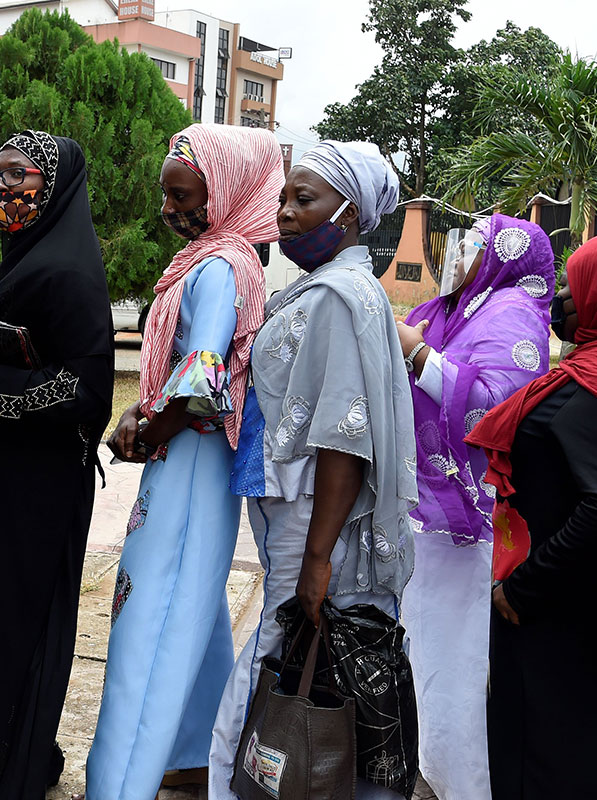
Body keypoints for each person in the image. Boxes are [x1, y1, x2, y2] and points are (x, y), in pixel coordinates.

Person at [209, 140, 417, 800]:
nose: (286, 213)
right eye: (283, 199)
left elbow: (344, 439)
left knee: (280, 647)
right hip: (294, 512)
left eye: (305, 199)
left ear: (351, 212)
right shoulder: (329, 288)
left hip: (309, 515)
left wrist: (319, 556)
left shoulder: (338, 298)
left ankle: (245, 783)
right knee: (302, 648)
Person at [87, 123, 279, 798]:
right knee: (184, 606)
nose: (169, 211)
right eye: (165, 196)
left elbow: (203, 376)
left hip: (192, 459)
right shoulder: (214, 258)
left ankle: (117, 784)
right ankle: (198, 749)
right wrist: (150, 414)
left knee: (150, 621)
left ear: (223, 192)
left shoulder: (223, 266)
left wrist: (142, 428)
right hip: (190, 457)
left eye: (183, 196)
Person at [466, 230, 597, 800]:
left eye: (577, 284)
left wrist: (526, 588)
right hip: (594, 605)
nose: (562, 296)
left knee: (547, 753)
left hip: (562, 614)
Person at [0, 130, 114, 799]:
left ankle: (11, 775)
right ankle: (5, 765)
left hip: (32, 496)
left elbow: (85, 391)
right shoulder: (18, 261)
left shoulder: (67, 273)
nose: (2, 187)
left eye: (20, 175)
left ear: (55, 185)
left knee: (16, 633)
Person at [396, 213, 554, 799]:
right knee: (422, 659)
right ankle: (427, 772)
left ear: (499, 256)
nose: (457, 250)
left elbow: (496, 412)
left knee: (455, 670)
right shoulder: (452, 311)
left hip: (465, 527)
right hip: (420, 515)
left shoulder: (511, 314)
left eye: (471, 242)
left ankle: (462, 785)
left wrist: (420, 358)